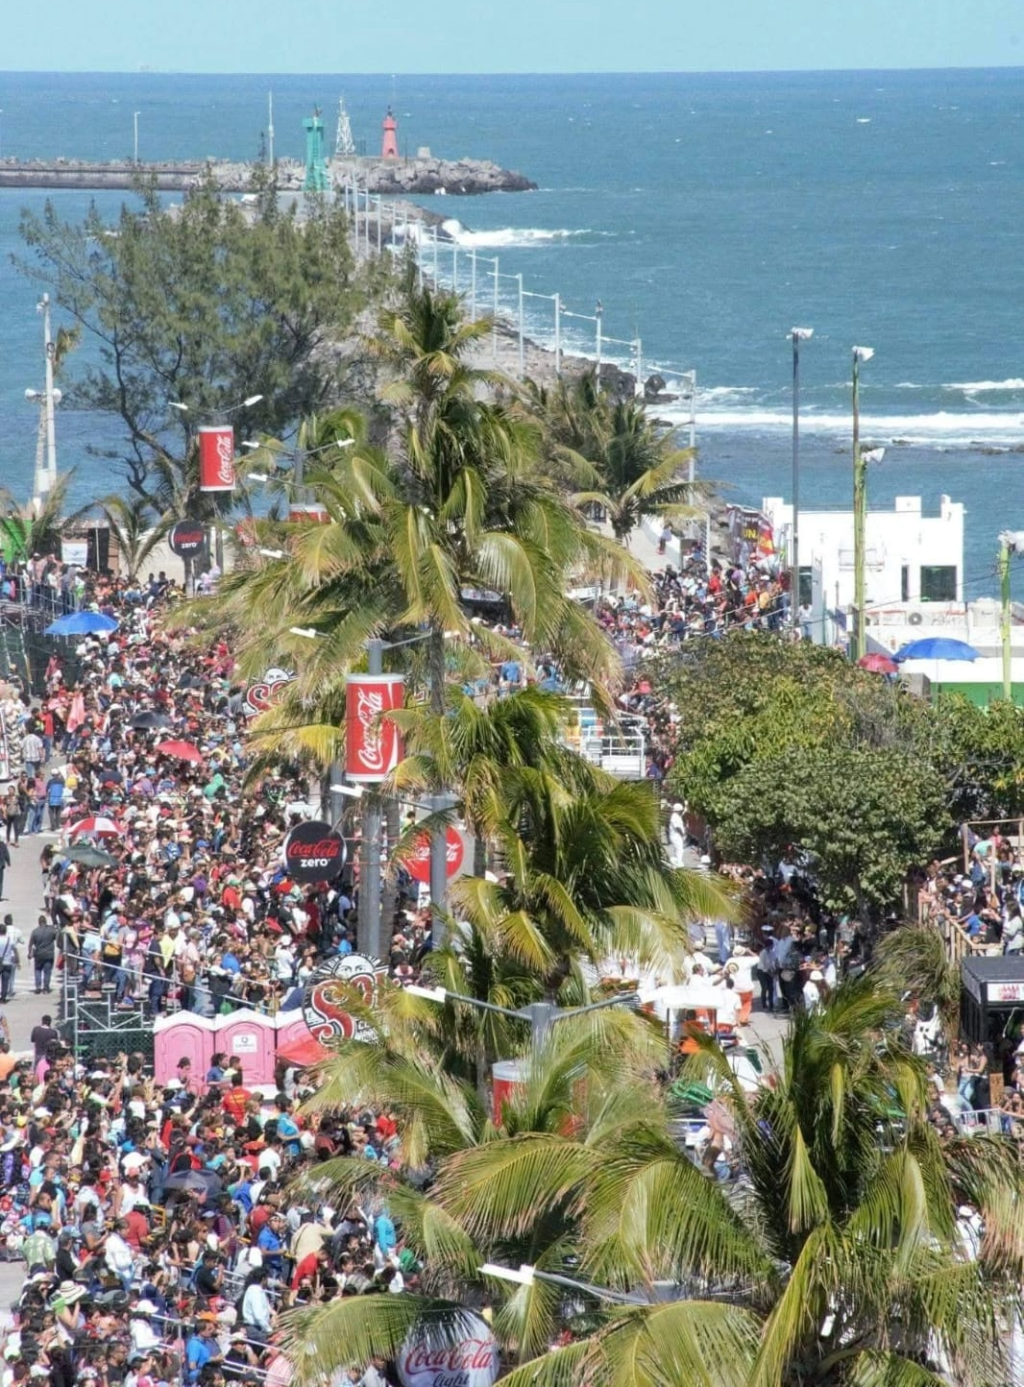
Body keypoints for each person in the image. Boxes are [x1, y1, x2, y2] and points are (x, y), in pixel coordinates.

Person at [28, 914, 58, 993]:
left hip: (38, 954)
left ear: (39, 922)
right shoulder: (51, 930)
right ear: (45, 922)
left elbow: (30, 944)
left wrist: (29, 953)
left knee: (38, 970)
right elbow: (57, 938)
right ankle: (46, 988)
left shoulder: (35, 932)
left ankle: (38, 987)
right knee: (47, 971)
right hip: (49, 954)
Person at [0, 837, 9, 901]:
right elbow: (6, 854)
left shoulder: (2, 845)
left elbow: (6, 854)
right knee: (0, 882)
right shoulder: (2, 845)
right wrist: (9, 863)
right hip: (1, 866)